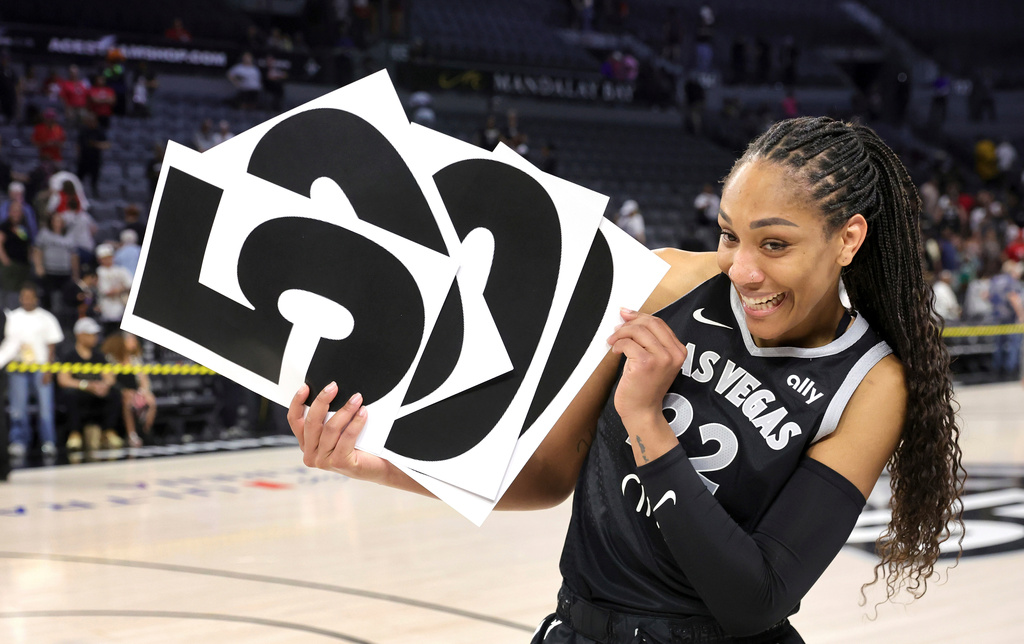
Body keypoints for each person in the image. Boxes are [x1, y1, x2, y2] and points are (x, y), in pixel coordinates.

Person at [288, 116, 964, 643]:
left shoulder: (871, 384)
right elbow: (550, 476)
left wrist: (646, 422)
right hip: (580, 627)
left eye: (775, 244)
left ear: (847, 239)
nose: (742, 269)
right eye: (729, 235)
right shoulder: (666, 283)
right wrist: (373, 465)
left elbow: (755, 599)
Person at [4, 285, 63, 459]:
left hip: (40, 367)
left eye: (30, 296)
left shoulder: (46, 318)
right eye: (24, 296)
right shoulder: (12, 317)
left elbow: (51, 346)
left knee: (45, 408)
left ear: (36, 298)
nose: (27, 300)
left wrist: (49, 370)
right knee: (18, 408)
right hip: (18, 367)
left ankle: (48, 442)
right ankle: (19, 442)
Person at [57, 317, 121, 451]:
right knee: (70, 394)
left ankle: (108, 431)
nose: (95, 338)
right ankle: (75, 434)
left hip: (97, 393)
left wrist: (103, 385)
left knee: (115, 392)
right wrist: (86, 385)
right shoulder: (70, 356)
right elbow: (63, 380)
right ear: (80, 335)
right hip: (80, 393)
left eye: (95, 334)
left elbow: (110, 378)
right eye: (91, 334)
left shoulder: (99, 356)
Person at [101, 331, 155, 448]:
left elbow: (144, 380)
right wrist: (123, 391)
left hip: (136, 392)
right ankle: (132, 434)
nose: (135, 342)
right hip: (119, 393)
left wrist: (143, 392)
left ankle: (145, 430)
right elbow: (109, 380)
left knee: (151, 401)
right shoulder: (111, 360)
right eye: (131, 339)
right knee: (127, 401)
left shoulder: (135, 360)